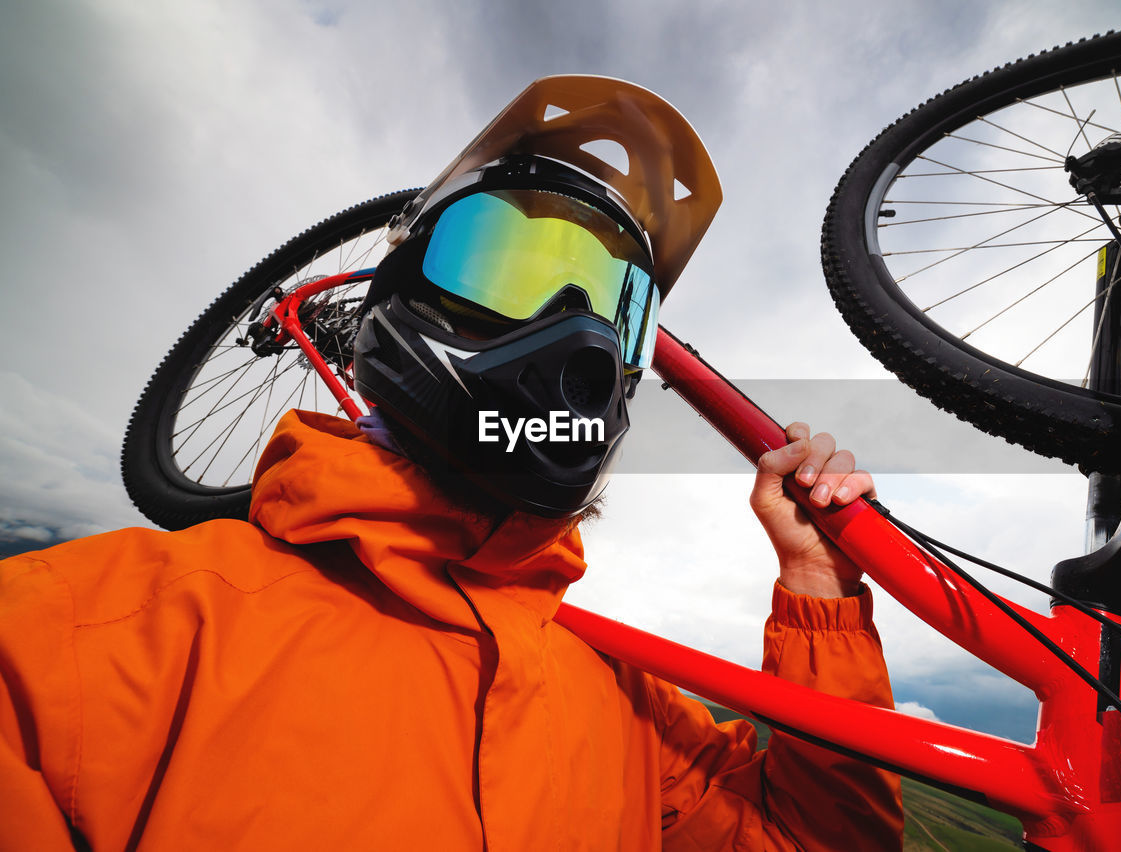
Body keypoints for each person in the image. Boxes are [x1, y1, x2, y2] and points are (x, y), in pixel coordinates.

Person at [0, 76, 902, 850]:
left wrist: (820, 592)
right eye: (507, 264)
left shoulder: (633, 707)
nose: (575, 334)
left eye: (616, 308)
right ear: (405, 295)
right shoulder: (82, 643)